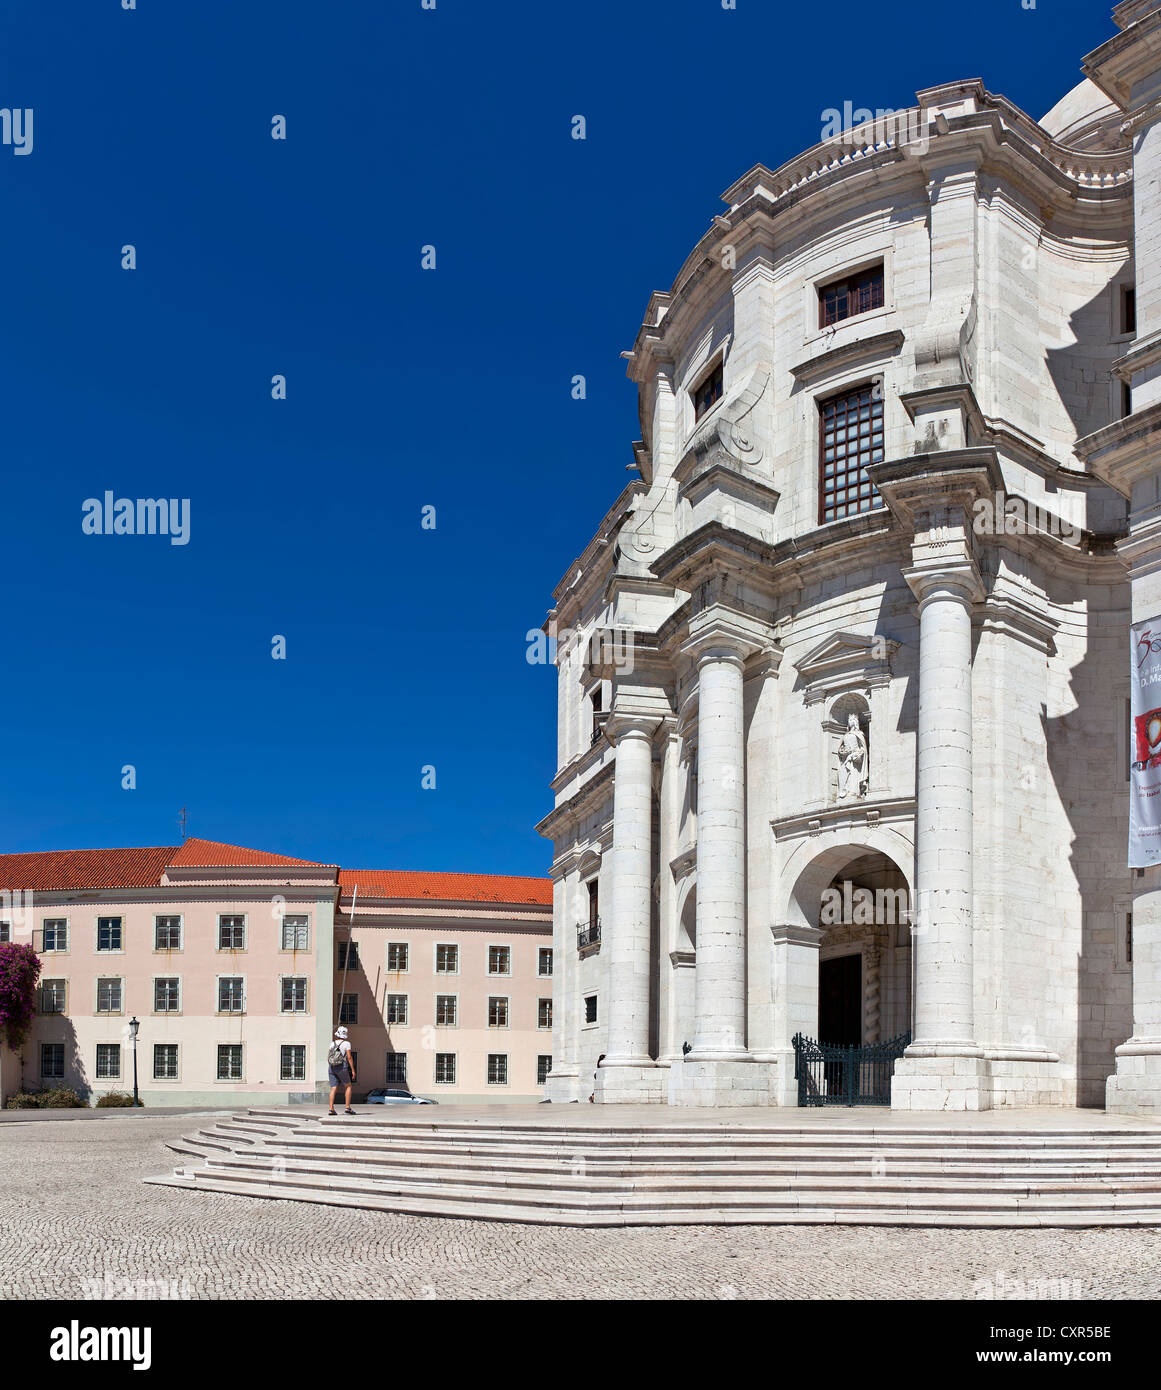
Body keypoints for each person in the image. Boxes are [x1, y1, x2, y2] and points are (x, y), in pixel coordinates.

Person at [327, 1025, 356, 1115]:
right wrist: (353, 1070)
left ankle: (331, 1109)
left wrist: (332, 1065)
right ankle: (347, 1108)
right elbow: (349, 1057)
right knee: (348, 1086)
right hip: (341, 1066)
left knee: (333, 1088)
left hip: (331, 1067)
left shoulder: (332, 1043)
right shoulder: (347, 1044)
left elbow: (328, 1056)